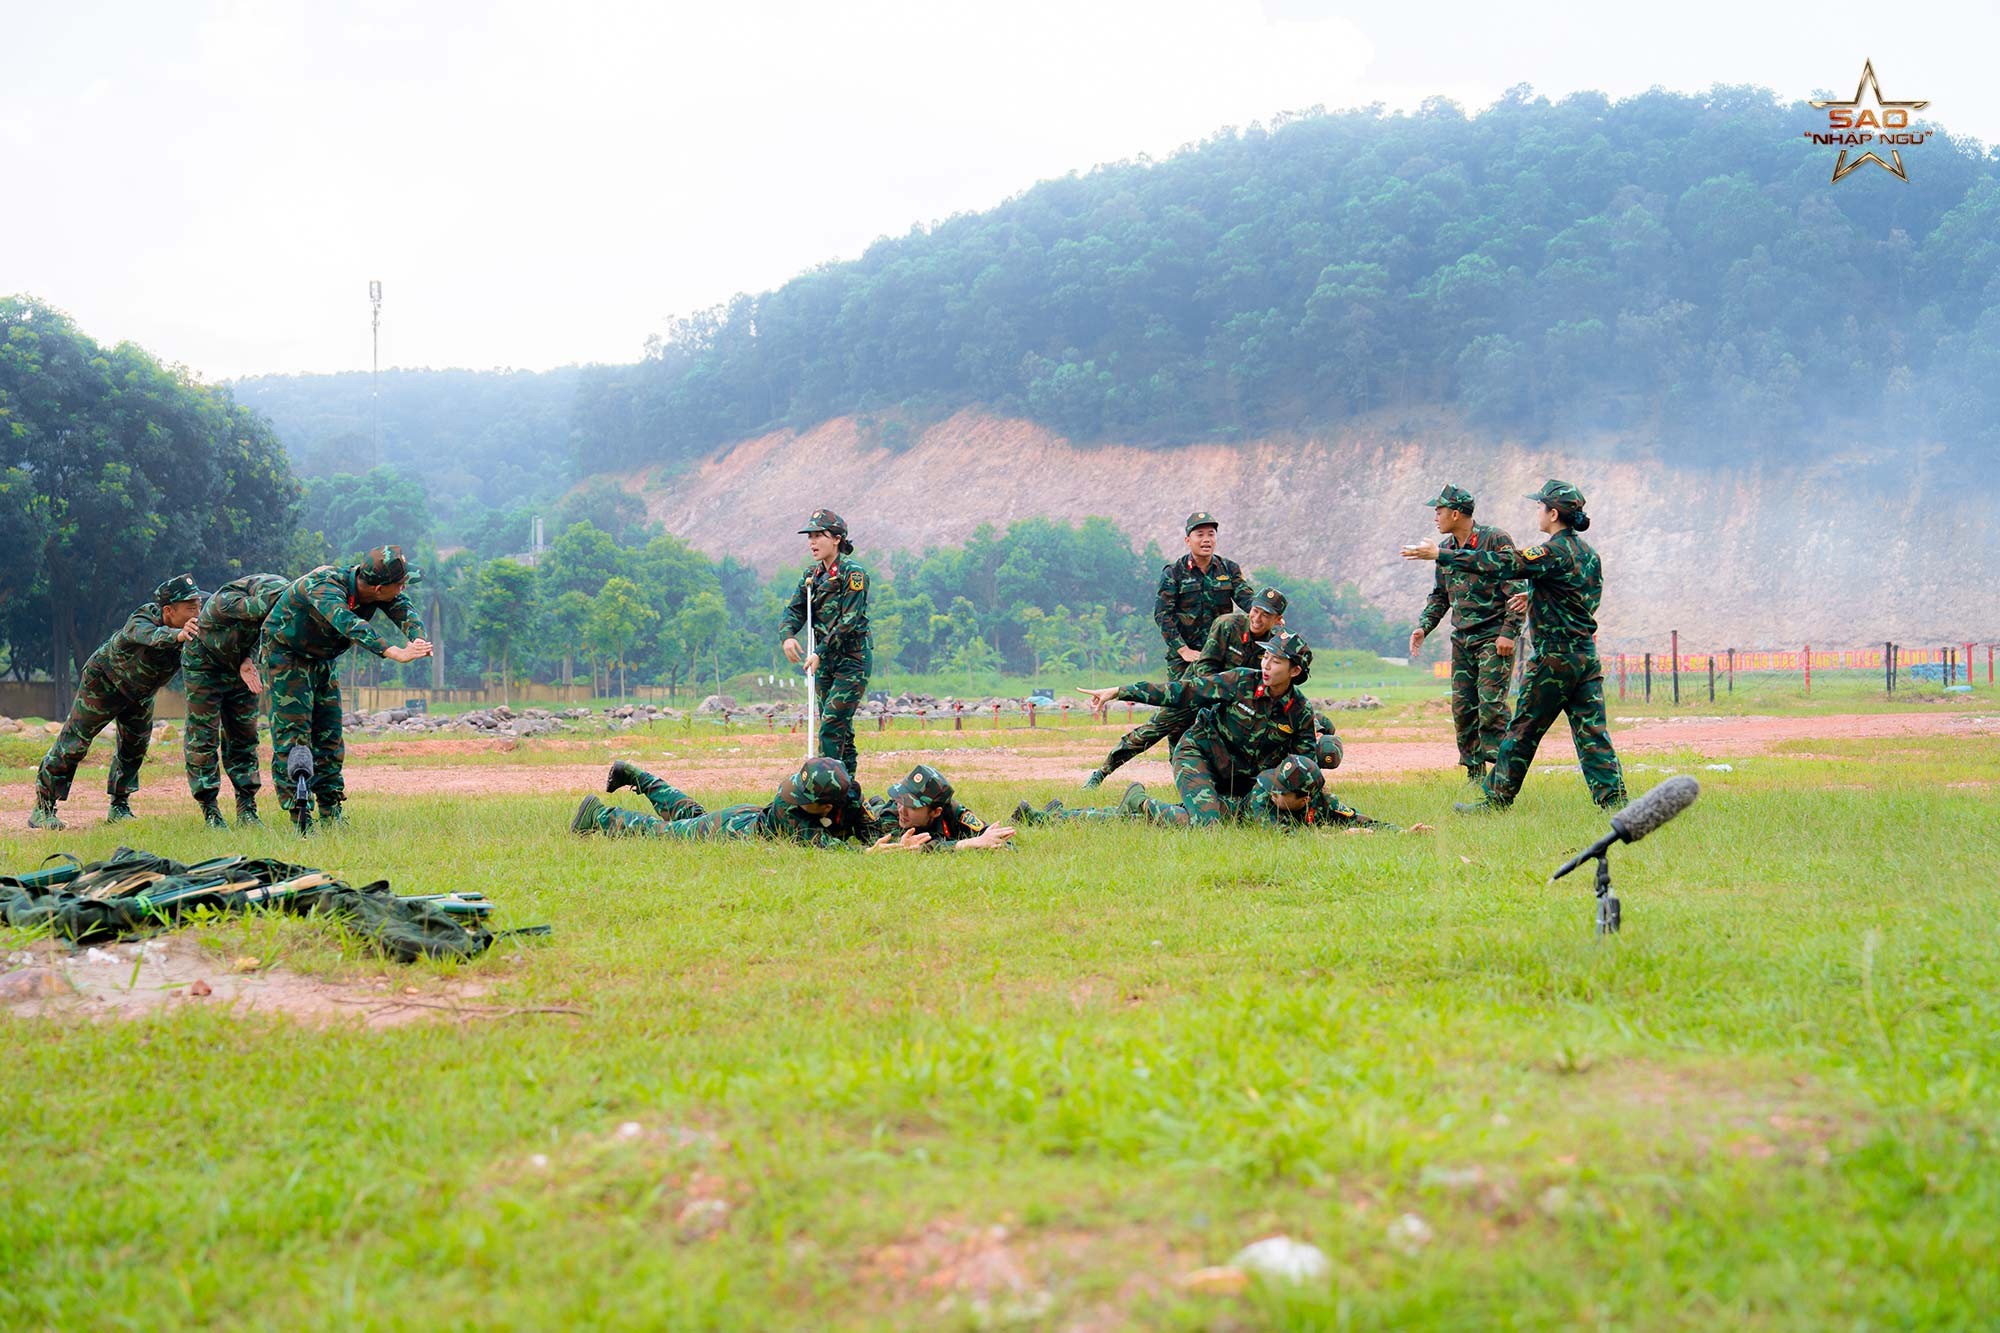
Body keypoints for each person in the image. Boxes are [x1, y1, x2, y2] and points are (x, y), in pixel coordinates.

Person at [1402, 480, 1627, 813]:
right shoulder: (1588, 554)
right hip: (1584, 658)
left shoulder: (1549, 550)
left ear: (1553, 513)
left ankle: (1494, 801)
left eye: (1540, 507)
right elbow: (1583, 599)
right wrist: (1536, 595)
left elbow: (1504, 564)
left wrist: (1440, 554)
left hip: (1554, 659)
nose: (1537, 512)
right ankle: (1613, 801)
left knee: (1521, 730)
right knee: (1593, 733)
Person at [1062, 630, 1317, 828]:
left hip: (1237, 779)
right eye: (1266, 657)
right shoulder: (1240, 681)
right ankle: (1138, 800)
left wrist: (1309, 802)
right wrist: (1119, 692)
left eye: (1276, 661)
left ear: (1294, 670)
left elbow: (1305, 765)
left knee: (1209, 817)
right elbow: (1182, 691)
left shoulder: (1300, 712)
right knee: (1208, 824)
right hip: (1198, 756)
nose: (1266, 665)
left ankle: (1056, 817)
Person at [258, 546, 432, 829]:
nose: (402, 589)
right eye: (399, 584)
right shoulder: (324, 584)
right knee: (294, 734)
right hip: (287, 654)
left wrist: (418, 640)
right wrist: (391, 650)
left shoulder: (377, 588)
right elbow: (347, 622)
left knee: (329, 734)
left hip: (322, 656)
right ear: (378, 588)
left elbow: (403, 609)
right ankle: (299, 815)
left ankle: (331, 812)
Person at [1084, 524, 1259, 788]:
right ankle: (1112, 771)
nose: (1206, 540)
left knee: (1223, 719)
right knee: (1171, 722)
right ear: (1188, 540)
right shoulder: (1174, 573)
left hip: (1218, 659)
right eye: (1200, 535)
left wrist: (1268, 614)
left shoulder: (1228, 570)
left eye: (1211, 534)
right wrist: (1182, 650)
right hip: (1185, 660)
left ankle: (1220, 781)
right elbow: (1162, 615)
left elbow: (1249, 602)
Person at [30, 574, 205, 829]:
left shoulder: (196, 623)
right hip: (104, 684)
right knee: (75, 742)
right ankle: (43, 807)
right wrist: (177, 636)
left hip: (140, 693)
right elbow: (146, 634)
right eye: (191, 607)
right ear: (169, 610)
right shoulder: (143, 618)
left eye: (198, 604)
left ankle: (120, 805)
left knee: (134, 748)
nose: (197, 612)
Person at [1407, 485, 1527, 785]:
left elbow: (1517, 588)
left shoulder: (1494, 539)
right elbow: (1440, 596)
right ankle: (1475, 774)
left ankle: (1502, 777)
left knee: (1491, 707)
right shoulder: (1445, 550)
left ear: (1456, 513)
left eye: (1439, 510)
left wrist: (1509, 633)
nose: (1436, 516)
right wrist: (1424, 626)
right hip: (1462, 640)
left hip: (1493, 638)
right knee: (1462, 710)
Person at [570, 756, 927, 851]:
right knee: (670, 834)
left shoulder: (847, 793)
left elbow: (867, 826)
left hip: (743, 815)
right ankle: (600, 816)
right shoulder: (790, 812)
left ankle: (637, 776)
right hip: (736, 830)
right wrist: (871, 853)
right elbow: (833, 850)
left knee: (690, 818)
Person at [181, 573, 290, 828]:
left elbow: (259, 636)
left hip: (241, 665)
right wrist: (240, 661)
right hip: (204, 666)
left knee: (244, 734)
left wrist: (248, 658)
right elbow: (210, 638)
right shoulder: (226, 602)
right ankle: (210, 810)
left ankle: (247, 807)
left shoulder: (266, 610)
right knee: (203, 738)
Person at [780, 509, 870, 777]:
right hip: (824, 662)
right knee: (842, 729)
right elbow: (794, 610)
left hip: (852, 660)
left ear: (837, 540)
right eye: (810, 536)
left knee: (831, 725)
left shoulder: (853, 574)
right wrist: (787, 636)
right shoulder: (811, 575)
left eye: (819, 535)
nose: (812, 542)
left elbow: (849, 620)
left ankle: (826, 788)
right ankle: (848, 789)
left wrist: (819, 650)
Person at [862, 763, 1015, 851]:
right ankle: (876, 802)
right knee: (875, 808)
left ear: (936, 812)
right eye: (900, 800)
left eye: (912, 806)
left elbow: (989, 836)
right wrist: (966, 844)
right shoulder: (891, 814)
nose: (902, 809)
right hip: (874, 813)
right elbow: (901, 849)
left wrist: (996, 843)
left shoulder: (953, 810)